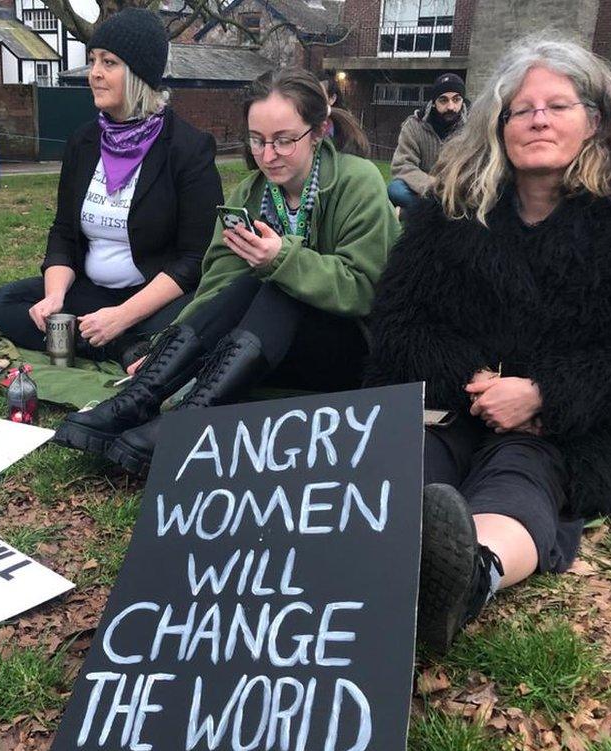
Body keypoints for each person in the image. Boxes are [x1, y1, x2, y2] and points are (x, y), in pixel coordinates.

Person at [364, 36, 611, 653]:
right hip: (452, 404)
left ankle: (468, 578)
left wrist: (542, 395)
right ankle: (387, 567)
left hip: (566, 427)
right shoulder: (448, 213)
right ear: (498, 126)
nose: (538, 117)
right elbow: (398, 320)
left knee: (522, 473)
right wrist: (479, 383)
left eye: (557, 105)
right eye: (522, 108)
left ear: (594, 119)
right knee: (412, 470)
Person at [54, 67, 399, 474]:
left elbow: (365, 289)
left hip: (350, 351)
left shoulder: (358, 183)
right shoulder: (250, 193)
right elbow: (216, 284)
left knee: (277, 285)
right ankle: (142, 396)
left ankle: (191, 421)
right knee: (250, 281)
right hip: (267, 350)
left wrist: (280, 260)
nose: (267, 155)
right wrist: (163, 348)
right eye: (257, 140)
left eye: (284, 141)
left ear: (320, 130)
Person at [0, 8, 223, 366]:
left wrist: (123, 316)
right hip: (90, 293)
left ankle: (116, 338)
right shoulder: (83, 143)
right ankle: (119, 348)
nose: (94, 73)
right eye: (93, 60)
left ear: (139, 74)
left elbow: (194, 260)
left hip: (154, 299)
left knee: (194, 318)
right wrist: (54, 297)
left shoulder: (188, 149)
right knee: (4, 303)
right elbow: (64, 232)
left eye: (109, 62)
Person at [388, 73, 468, 211]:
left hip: (458, 190)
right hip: (424, 189)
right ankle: (439, 211)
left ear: (463, 100)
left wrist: (454, 188)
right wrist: (433, 185)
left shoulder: (473, 127)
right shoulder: (414, 125)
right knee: (396, 190)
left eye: (456, 100)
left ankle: (420, 212)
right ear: (434, 103)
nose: (451, 106)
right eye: (443, 100)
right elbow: (402, 166)